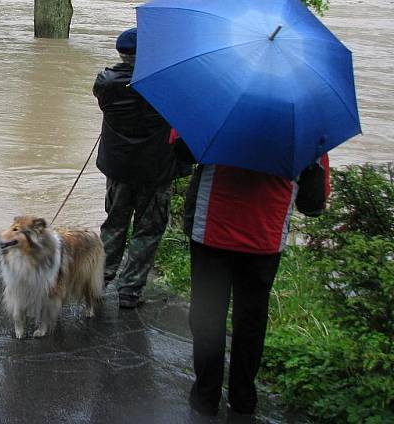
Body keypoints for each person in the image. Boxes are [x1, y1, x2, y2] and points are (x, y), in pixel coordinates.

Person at [174, 136, 330, 416]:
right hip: (265, 235)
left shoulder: (215, 102)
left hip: (212, 227)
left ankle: (205, 396)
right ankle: (243, 398)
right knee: (252, 319)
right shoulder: (308, 126)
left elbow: (181, 152)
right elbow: (313, 202)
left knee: (207, 314)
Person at [93, 27, 184, 309]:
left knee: (114, 225)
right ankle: (130, 292)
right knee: (148, 230)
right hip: (156, 172)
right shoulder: (166, 84)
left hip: (119, 170)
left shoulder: (105, 82)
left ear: (121, 53)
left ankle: (98, 284)